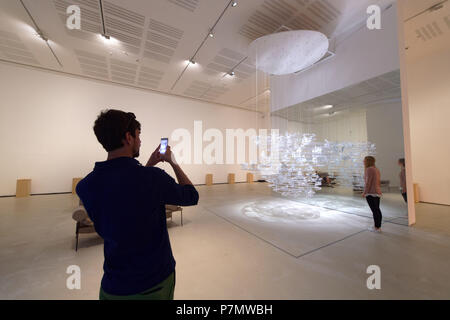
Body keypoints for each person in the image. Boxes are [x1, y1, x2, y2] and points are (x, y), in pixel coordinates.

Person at [76, 109, 199, 300]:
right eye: (138, 135)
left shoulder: (85, 186)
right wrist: (173, 162)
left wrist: (147, 165)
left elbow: (125, 190)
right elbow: (191, 196)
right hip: (153, 284)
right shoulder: (153, 179)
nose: (140, 140)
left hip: (112, 286)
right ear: (128, 137)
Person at [362, 156, 382, 232]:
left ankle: (377, 227)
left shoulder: (369, 169)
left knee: (375, 210)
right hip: (377, 192)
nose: (363, 161)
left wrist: (365, 192)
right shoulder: (375, 169)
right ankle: (378, 226)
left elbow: (368, 182)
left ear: (368, 161)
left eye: (364, 160)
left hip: (371, 193)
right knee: (377, 210)